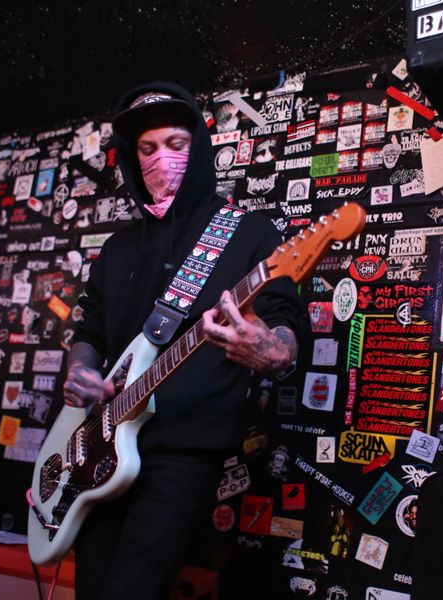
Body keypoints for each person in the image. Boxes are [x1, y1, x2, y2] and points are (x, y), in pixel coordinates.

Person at [61, 82, 302, 599]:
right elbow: (90, 331)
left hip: (182, 452)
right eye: (146, 148)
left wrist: (273, 348)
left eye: (176, 143)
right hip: (101, 445)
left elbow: (284, 322)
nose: (161, 159)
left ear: (200, 148)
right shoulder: (118, 248)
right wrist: (80, 370)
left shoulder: (248, 232)